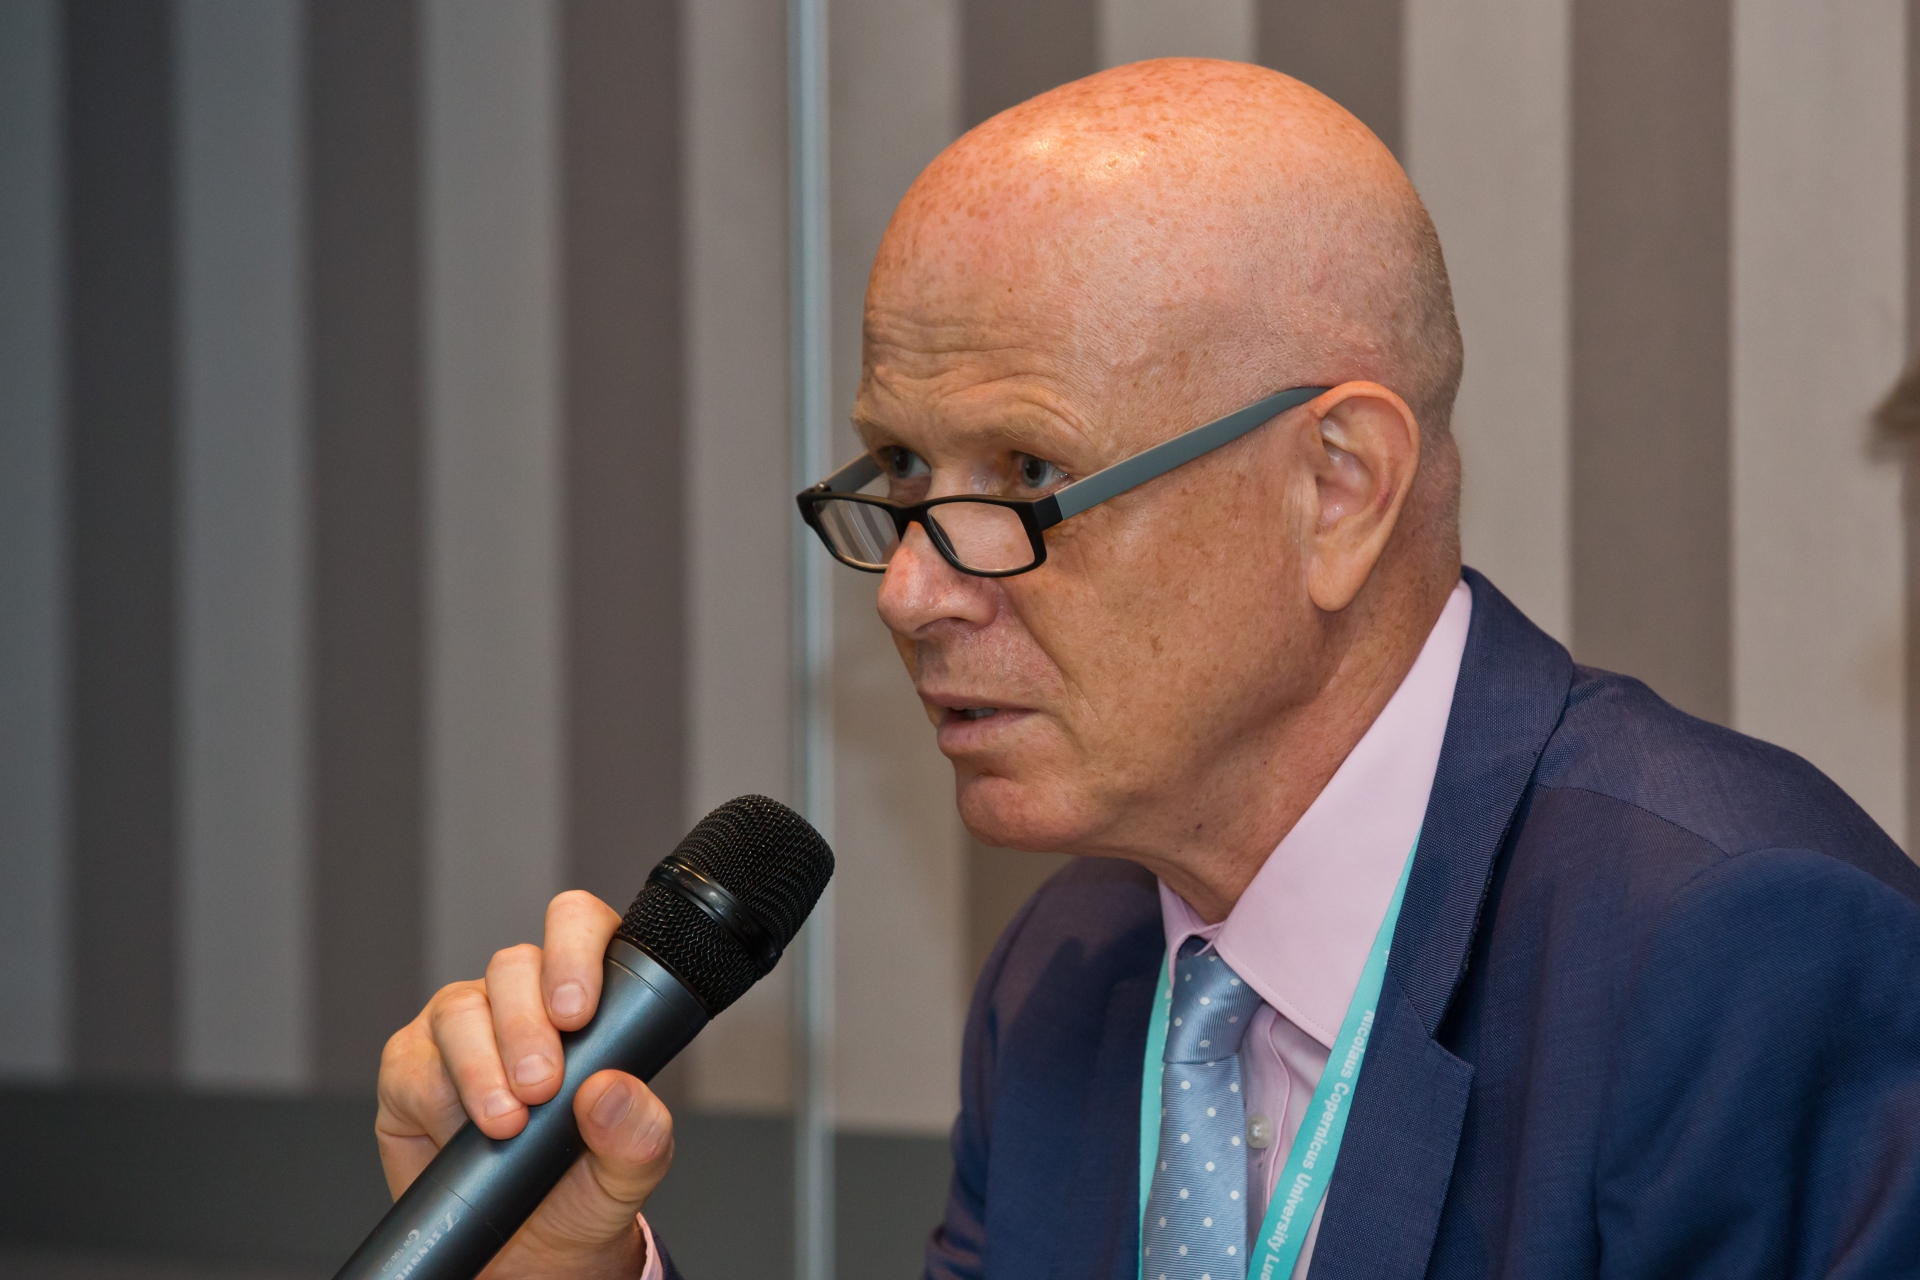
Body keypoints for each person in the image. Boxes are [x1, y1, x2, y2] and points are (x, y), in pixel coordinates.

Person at [373, 59, 1920, 1279]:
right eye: (900, 472)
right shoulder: (1077, 967)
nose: (911, 589)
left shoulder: (1736, 954)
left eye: (1028, 474)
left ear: (1338, 489)